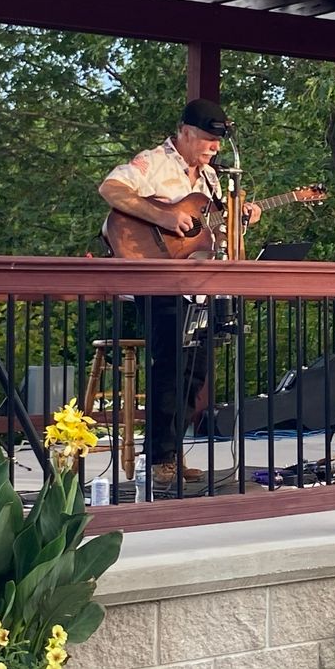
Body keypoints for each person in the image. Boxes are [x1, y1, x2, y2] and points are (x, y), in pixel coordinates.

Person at [99, 98, 261, 485]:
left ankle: (171, 453)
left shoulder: (210, 179)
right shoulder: (153, 161)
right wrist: (163, 217)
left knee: (195, 370)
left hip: (196, 285)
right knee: (170, 365)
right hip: (154, 277)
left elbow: (212, 235)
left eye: (217, 142)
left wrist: (243, 217)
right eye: (207, 139)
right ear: (185, 132)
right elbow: (110, 188)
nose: (213, 148)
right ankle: (157, 459)